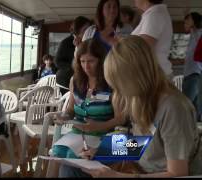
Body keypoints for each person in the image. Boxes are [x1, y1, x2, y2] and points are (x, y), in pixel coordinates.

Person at [60, 36, 202, 178]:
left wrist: (117, 176)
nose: (119, 93)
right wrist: (103, 149)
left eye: (120, 85)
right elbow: (140, 144)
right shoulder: (139, 99)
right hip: (139, 166)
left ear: (137, 77)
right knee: (71, 167)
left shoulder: (173, 108)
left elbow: (178, 173)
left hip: (153, 172)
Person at [53, 39, 125, 176]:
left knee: (70, 163)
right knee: (60, 153)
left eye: (91, 61)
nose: (86, 66)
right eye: (82, 61)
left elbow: (121, 119)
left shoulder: (112, 83)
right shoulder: (75, 80)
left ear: (102, 61)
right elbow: (70, 110)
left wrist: (99, 126)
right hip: (77, 135)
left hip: (103, 136)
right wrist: (64, 116)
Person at [131, 0, 173, 78]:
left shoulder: (154, 14)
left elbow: (143, 48)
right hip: (155, 75)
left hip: (155, 77)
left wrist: (120, 43)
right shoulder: (153, 13)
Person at [54, 16, 92, 95]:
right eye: (85, 29)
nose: (88, 32)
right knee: (74, 101)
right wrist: (73, 68)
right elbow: (57, 61)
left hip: (82, 78)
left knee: (87, 99)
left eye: (89, 29)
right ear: (77, 30)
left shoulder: (89, 42)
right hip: (66, 79)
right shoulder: (66, 42)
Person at [182, 12, 202, 122]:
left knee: (185, 105)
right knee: (193, 106)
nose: (185, 22)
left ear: (194, 21)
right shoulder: (193, 35)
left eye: (188, 20)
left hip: (194, 74)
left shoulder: (199, 33)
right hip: (189, 74)